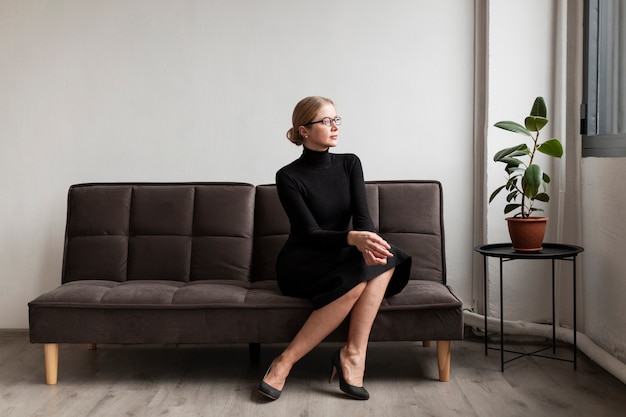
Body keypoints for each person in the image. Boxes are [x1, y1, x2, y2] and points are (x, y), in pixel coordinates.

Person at [257, 96, 411, 401]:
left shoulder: (350, 163)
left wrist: (366, 241)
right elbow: (310, 233)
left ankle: (353, 354)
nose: (334, 127)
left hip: (341, 255)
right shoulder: (287, 176)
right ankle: (285, 362)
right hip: (302, 261)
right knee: (356, 282)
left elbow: (363, 216)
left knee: (383, 256)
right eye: (326, 121)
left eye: (336, 120)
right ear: (303, 130)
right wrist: (353, 240)